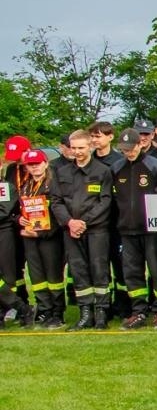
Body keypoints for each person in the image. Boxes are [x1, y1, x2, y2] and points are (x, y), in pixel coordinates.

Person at [111, 128, 157, 329]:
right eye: (124, 149)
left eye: (131, 148)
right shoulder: (116, 168)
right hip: (127, 230)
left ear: (140, 144)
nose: (128, 152)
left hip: (153, 230)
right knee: (132, 273)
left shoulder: (155, 166)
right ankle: (138, 311)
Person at [52, 129, 116, 330]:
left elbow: (105, 201)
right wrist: (70, 222)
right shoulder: (61, 173)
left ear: (90, 146)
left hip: (96, 229)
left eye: (81, 147)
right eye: (74, 148)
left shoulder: (102, 171)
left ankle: (101, 312)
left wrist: (84, 222)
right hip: (70, 230)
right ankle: (85, 312)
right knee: (79, 271)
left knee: (99, 270)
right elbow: (56, 201)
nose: (77, 152)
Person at [18, 148, 66, 328]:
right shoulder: (26, 185)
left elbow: (57, 212)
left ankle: (57, 312)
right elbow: (19, 209)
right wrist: (19, 219)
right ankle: (44, 310)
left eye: (37, 163)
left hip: (49, 237)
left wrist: (42, 232)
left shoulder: (53, 183)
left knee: (53, 276)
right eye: (30, 165)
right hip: (30, 238)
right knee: (37, 277)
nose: (34, 168)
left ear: (45, 163)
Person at [0, 137, 31, 327]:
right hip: (12, 224)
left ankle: (20, 307)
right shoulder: (12, 171)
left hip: (8, 229)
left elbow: (3, 210)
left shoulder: (4, 186)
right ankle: (18, 306)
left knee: (10, 273)